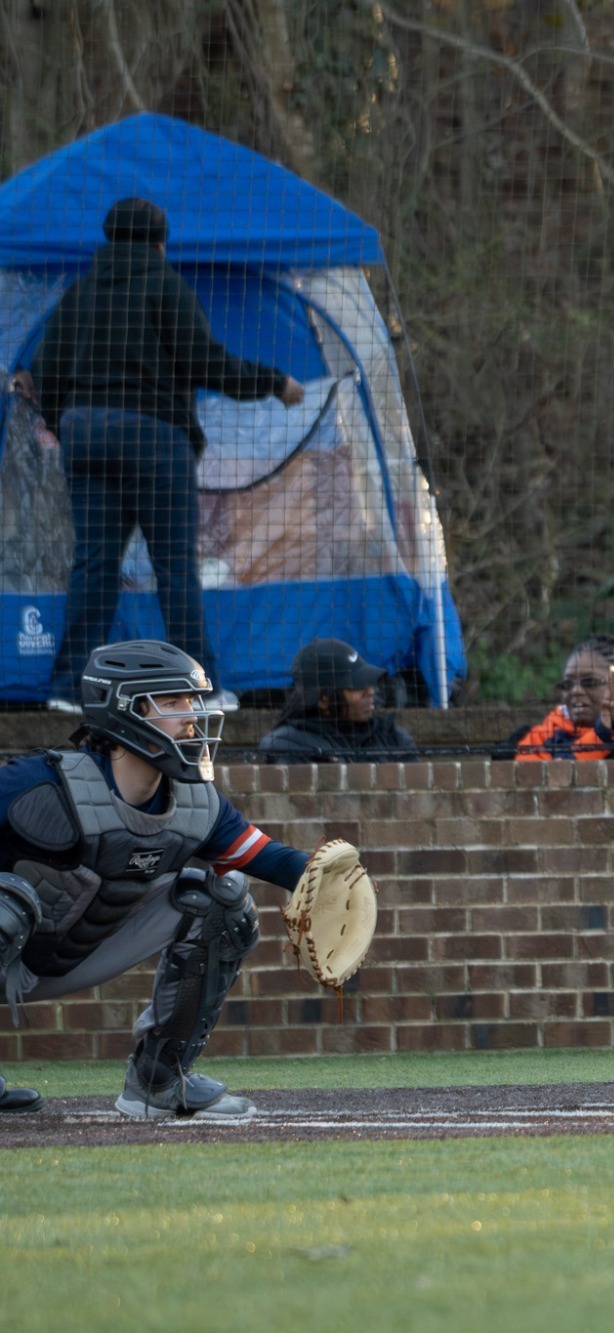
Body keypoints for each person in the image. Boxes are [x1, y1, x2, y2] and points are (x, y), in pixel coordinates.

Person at [0, 640, 315, 1118]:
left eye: (192, 700)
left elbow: (270, 859)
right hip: (12, 950)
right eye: (173, 702)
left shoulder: (194, 803)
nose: (192, 716)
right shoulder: (36, 786)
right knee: (7, 906)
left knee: (221, 903)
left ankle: (158, 1080)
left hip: (65, 958)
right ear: (126, 709)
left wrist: (331, 878)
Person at [27, 198, 306, 714]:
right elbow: (206, 362)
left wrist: (65, 420)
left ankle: (68, 690)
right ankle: (199, 690)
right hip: (152, 438)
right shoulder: (165, 284)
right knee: (175, 567)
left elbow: (46, 369)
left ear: (110, 240)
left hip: (85, 436)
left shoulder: (81, 290)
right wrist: (274, 382)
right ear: (159, 243)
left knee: (94, 564)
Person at [258, 638, 419, 763]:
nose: (370, 692)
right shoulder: (288, 745)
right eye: (356, 686)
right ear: (324, 700)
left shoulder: (392, 737)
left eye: (368, 683)